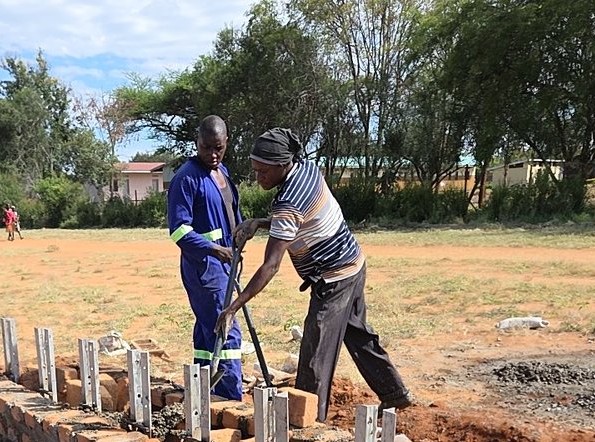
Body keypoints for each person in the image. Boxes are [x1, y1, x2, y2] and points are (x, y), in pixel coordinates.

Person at [218, 127, 412, 422]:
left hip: (334, 277)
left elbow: (271, 265)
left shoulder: (288, 204)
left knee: (314, 357)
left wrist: (234, 306)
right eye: (255, 170)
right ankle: (395, 393)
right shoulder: (306, 169)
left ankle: (307, 427)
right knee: (357, 334)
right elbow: (300, 218)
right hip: (353, 261)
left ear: (283, 164)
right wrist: (259, 222)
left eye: (263, 171)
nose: (258, 178)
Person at [167, 115, 243, 400]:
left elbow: (232, 214)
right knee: (226, 327)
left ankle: (204, 391)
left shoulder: (222, 173)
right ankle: (231, 398)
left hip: (227, 263)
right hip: (205, 267)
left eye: (218, 148)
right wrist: (215, 250)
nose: (212, 154)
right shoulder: (186, 179)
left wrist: (242, 232)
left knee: (207, 330)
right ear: (196, 143)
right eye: (206, 147)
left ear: (226, 144)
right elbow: (178, 231)